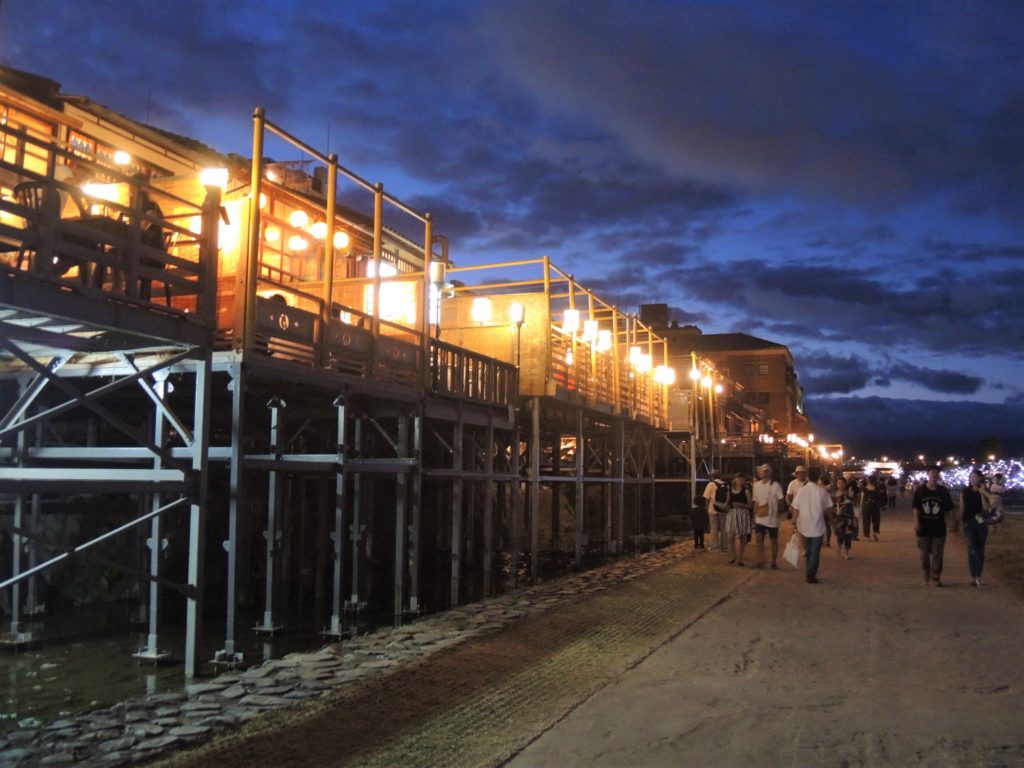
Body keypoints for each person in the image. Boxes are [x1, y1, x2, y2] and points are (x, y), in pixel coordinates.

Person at [912, 466, 954, 587]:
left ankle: (936, 575)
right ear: (928, 475)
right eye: (932, 473)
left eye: (936, 474)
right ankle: (926, 571)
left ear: (938, 476)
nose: (934, 476)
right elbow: (916, 508)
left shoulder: (943, 491)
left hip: (939, 527)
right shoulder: (920, 490)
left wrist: (954, 521)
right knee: (924, 554)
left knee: (938, 553)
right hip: (924, 527)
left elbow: (949, 508)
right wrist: (916, 523)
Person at [790, 467, 833, 584]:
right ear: (818, 476)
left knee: (808, 551)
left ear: (808, 475)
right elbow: (829, 508)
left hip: (803, 526)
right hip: (818, 526)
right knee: (815, 552)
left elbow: (795, 508)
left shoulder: (801, 491)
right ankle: (810, 574)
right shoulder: (822, 491)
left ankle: (809, 573)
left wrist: (794, 522)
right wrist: (831, 521)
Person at [961, 470, 995, 586]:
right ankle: (973, 575)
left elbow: (986, 508)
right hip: (969, 522)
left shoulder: (985, 491)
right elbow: (962, 507)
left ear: (980, 478)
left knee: (980, 550)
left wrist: (982, 493)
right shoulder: (965, 491)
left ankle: (978, 576)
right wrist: (958, 521)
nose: (973, 479)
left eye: (975, 477)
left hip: (981, 522)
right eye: (971, 477)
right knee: (972, 548)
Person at [752, 463, 785, 569]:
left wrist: (778, 511)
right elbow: (755, 502)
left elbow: (781, 499)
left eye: (766, 471)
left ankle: (773, 561)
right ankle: (760, 559)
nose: (764, 473)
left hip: (772, 517)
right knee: (758, 537)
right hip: (760, 516)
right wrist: (754, 516)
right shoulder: (756, 485)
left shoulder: (775, 485)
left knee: (773, 540)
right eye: (762, 471)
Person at [725, 472, 752, 566]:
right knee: (730, 535)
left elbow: (750, 505)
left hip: (742, 513)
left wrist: (740, 504)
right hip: (732, 513)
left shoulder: (746, 491)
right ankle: (733, 555)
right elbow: (727, 502)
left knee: (742, 536)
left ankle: (740, 557)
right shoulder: (730, 490)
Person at [786, 465, 809, 555]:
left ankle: (807, 546)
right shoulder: (792, 484)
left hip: (807, 509)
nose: (801, 475)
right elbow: (788, 497)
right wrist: (790, 506)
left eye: (803, 473)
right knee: (799, 529)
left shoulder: (809, 483)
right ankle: (804, 549)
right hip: (797, 510)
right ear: (797, 474)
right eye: (800, 473)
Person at [703, 470, 728, 552]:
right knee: (723, 528)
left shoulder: (711, 484)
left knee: (714, 528)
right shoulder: (725, 485)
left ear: (712, 477)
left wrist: (707, 509)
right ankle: (724, 546)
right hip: (723, 509)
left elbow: (707, 498)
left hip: (713, 509)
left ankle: (715, 547)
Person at [832, 476, 856, 559]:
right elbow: (832, 506)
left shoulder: (849, 492)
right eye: (838, 483)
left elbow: (853, 502)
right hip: (839, 517)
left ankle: (846, 552)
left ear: (845, 484)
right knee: (840, 533)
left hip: (848, 516)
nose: (840, 485)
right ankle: (839, 547)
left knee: (848, 535)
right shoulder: (834, 494)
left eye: (842, 483)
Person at [860, 474, 883, 541]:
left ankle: (867, 536)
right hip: (875, 507)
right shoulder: (877, 489)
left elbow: (862, 499)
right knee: (876, 520)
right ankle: (875, 533)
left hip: (866, 507)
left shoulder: (864, 489)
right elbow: (880, 498)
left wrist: (861, 508)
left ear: (868, 481)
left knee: (866, 521)